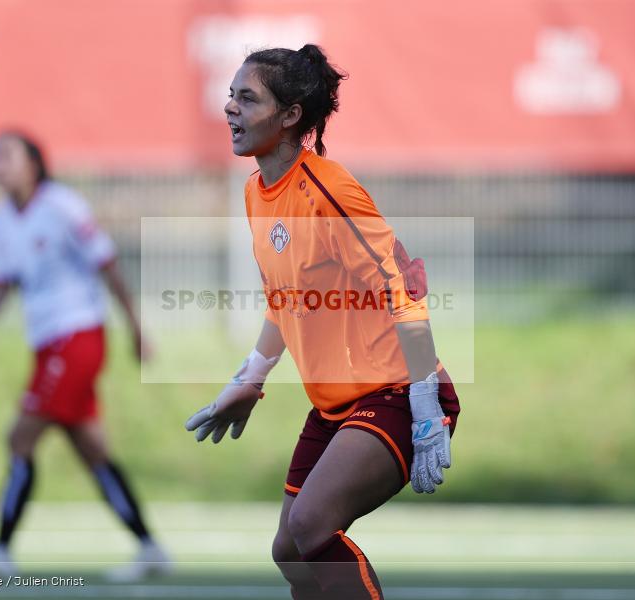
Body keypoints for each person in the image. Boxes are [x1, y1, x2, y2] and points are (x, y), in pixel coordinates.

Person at [185, 45, 460, 599]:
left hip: (399, 391)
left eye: (247, 98)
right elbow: (285, 301)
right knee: (289, 551)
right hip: (336, 405)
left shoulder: (329, 189)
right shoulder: (255, 193)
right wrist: (250, 379)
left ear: (290, 115)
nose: (230, 110)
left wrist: (426, 403)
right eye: (230, 97)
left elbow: (400, 288)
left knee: (311, 526)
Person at [0, 130, 170, 581]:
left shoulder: (63, 206)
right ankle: (150, 548)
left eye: (7, 155)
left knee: (20, 437)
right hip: (48, 345)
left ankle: (0, 551)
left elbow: (106, 264)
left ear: (34, 162)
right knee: (93, 450)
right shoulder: (0, 220)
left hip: (78, 338)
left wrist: (136, 327)